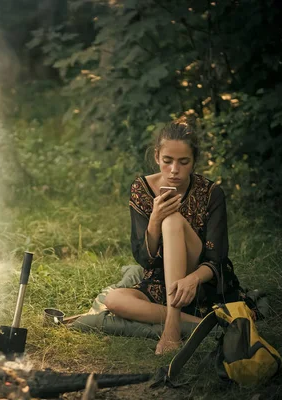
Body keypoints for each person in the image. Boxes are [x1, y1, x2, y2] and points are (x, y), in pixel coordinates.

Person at [103, 121, 241, 355]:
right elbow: (143, 259)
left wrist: (192, 279)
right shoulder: (141, 188)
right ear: (157, 156)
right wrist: (154, 219)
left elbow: (217, 257)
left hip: (200, 281)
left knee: (173, 220)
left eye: (183, 162)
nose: (174, 170)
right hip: (161, 281)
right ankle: (199, 324)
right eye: (168, 161)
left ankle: (172, 330)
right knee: (113, 300)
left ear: (193, 162)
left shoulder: (211, 193)